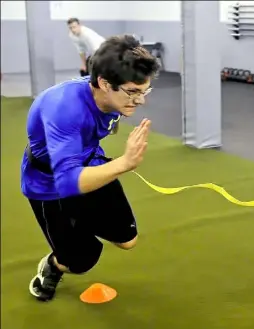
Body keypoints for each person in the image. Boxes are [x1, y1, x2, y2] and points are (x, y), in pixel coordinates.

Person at [22, 35, 160, 302]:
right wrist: (124, 163)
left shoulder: (112, 96)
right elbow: (68, 182)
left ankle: (76, 228)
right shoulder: (65, 109)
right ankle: (54, 264)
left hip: (90, 164)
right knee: (81, 261)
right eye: (133, 92)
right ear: (104, 84)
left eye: (145, 91)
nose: (140, 101)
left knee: (127, 240)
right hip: (51, 182)